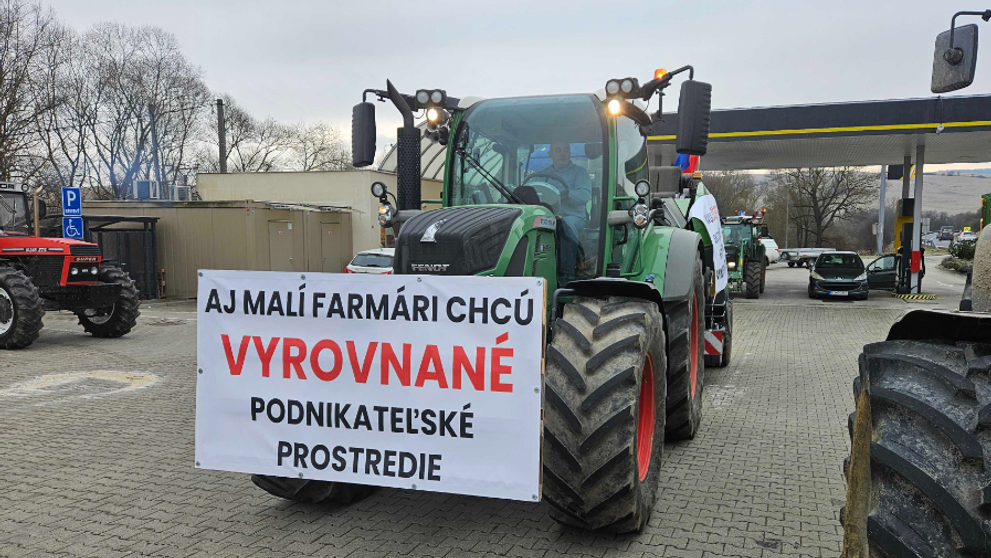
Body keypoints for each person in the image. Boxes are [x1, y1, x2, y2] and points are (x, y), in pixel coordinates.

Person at [538, 140, 592, 285]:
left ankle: (566, 276)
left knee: (566, 224)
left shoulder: (579, 173)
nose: (562, 153)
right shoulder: (543, 175)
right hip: (548, 216)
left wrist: (567, 194)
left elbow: (585, 195)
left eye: (566, 150)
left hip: (574, 217)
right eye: (558, 150)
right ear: (550, 154)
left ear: (570, 153)